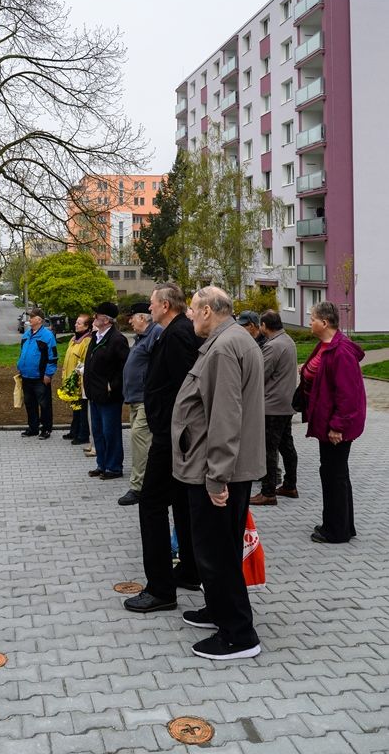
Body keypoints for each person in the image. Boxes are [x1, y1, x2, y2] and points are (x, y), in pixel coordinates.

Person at [172, 286, 265, 660]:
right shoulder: (233, 340)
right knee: (216, 548)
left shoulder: (226, 347)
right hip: (222, 466)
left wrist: (217, 476)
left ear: (209, 310)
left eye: (194, 310)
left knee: (217, 552)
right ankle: (219, 611)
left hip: (218, 470)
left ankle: (238, 635)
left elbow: (226, 416)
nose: (190, 316)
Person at [123, 283, 202, 614]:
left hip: (171, 436)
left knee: (152, 505)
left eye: (153, 304)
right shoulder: (174, 330)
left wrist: (167, 424)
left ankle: (160, 588)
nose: (149, 309)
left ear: (166, 305)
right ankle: (188, 569)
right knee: (181, 503)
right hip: (171, 433)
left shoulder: (177, 333)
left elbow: (188, 386)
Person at [301, 301, 366, 544]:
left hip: (335, 428)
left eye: (313, 318)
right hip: (327, 423)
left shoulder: (341, 352)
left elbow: (347, 395)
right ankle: (342, 525)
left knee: (333, 475)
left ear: (324, 323)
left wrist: (338, 426)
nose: (310, 322)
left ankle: (336, 531)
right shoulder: (325, 346)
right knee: (335, 474)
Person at [250, 310, 299, 507]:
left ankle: (268, 492)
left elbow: (260, 374)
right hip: (286, 404)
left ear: (264, 326)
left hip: (271, 406)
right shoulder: (288, 341)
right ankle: (290, 484)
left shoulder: (272, 346)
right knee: (286, 445)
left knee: (268, 449)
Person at [118, 303, 161, 506]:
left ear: (143, 318)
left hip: (145, 399)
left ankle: (139, 487)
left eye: (132, 317)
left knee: (140, 440)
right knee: (139, 441)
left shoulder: (155, 334)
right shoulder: (141, 337)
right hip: (135, 399)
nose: (129, 321)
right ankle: (143, 482)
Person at [83, 301, 129, 480]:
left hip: (109, 396)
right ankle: (102, 464)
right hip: (94, 394)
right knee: (98, 432)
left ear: (107, 320)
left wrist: (113, 385)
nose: (94, 318)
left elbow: (125, 366)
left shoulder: (117, 339)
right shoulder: (95, 337)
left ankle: (114, 467)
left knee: (111, 432)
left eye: (98, 316)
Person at [17, 308, 58, 439]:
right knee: (30, 403)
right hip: (26, 376)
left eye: (32, 317)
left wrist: (48, 374)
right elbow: (22, 352)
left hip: (40, 377)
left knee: (44, 404)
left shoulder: (47, 336)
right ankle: (33, 427)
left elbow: (53, 357)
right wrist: (20, 366)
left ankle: (46, 428)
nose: (29, 319)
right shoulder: (26, 335)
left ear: (39, 320)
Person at [60, 313, 92, 446]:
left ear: (87, 326)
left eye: (79, 323)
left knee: (82, 410)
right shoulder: (73, 339)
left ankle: (83, 434)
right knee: (75, 408)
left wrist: (78, 381)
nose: (76, 325)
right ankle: (74, 430)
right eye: (76, 322)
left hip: (80, 382)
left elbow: (84, 362)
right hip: (70, 382)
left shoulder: (87, 341)